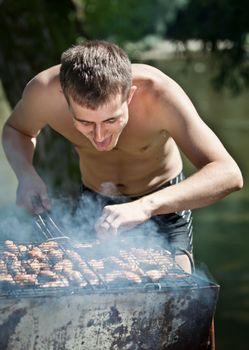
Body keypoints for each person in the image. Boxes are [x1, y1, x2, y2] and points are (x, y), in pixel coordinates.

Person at [2, 40, 243, 272]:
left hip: (162, 202)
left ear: (129, 96)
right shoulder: (43, 93)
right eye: (85, 123)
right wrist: (26, 173)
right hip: (97, 203)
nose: (99, 137)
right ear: (65, 98)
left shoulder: (159, 95)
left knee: (181, 301)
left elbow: (228, 173)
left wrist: (145, 207)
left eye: (111, 120)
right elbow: (17, 130)